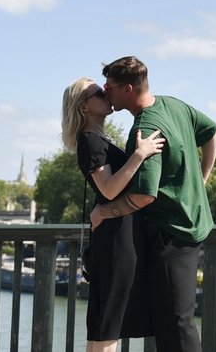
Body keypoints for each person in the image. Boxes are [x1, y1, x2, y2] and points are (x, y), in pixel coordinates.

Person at [91, 56, 216, 352]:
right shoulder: (173, 104)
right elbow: (212, 131)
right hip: (193, 223)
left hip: (170, 232)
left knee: (175, 322)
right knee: (176, 319)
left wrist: (104, 212)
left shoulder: (146, 128)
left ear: (129, 89)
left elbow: (144, 195)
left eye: (109, 87)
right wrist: (202, 179)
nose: (105, 92)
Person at [61, 77, 166, 352]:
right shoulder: (90, 141)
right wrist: (139, 155)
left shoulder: (96, 139)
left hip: (115, 234)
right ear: (84, 108)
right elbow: (108, 190)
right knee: (109, 319)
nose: (106, 92)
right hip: (115, 238)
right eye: (98, 92)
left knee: (106, 319)